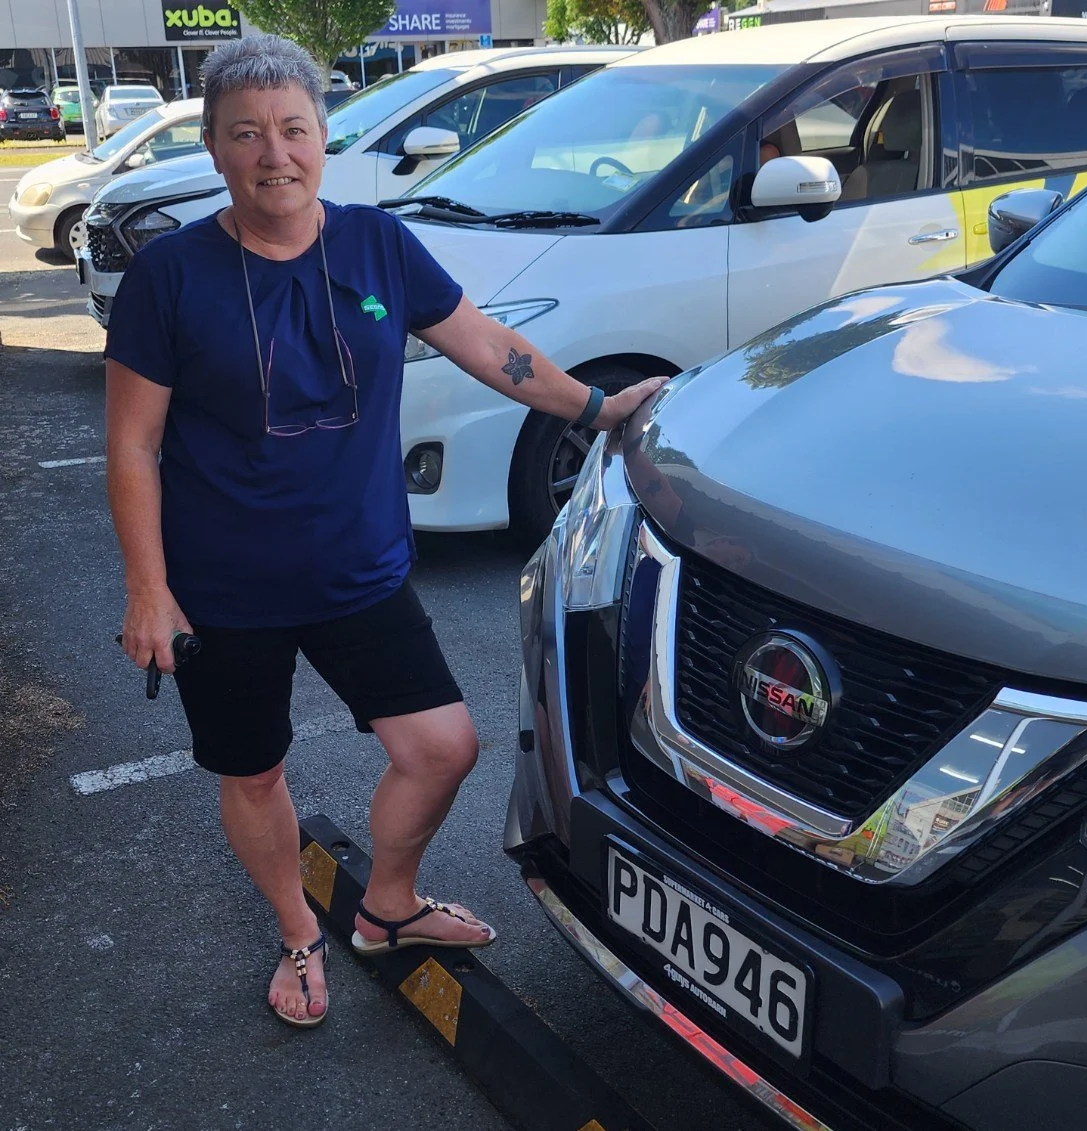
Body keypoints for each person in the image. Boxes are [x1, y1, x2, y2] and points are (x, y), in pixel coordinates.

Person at [104, 34, 667, 1030]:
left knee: (443, 747)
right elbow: (134, 446)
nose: (273, 153)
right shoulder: (170, 276)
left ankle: (389, 908)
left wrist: (596, 409)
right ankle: (296, 933)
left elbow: (488, 344)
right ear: (216, 148)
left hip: (358, 569)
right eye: (246, 135)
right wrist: (150, 592)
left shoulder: (376, 244)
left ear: (325, 139)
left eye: (292, 130)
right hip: (223, 589)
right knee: (256, 768)